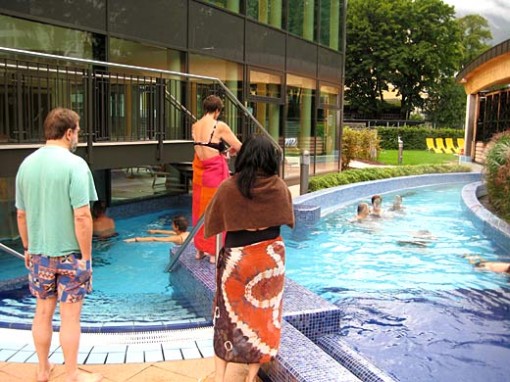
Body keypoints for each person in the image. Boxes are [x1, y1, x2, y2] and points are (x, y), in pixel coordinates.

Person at [15, 108, 102, 382]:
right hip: (70, 255)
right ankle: (72, 374)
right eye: (78, 131)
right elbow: (82, 215)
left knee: (42, 312)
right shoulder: (75, 165)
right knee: (69, 318)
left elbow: (21, 214)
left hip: (39, 253)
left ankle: (42, 370)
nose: (78, 136)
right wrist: (86, 257)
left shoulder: (26, 165)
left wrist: (27, 247)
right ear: (68, 133)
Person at [203, 135, 295, 382]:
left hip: (237, 260)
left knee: (226, 320)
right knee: (263, 320)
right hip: (269, 261)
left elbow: (211, 224)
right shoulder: (279, 187)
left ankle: (220, 378)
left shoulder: (229, 187)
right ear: (270, 160)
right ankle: (250, 377)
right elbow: (287, 219)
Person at [192, 95, 242, 264]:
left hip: (200, 172)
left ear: (205, 108)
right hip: (214, 173)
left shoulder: (195, 125)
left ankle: (199, 249)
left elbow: (207, 149)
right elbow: (239, 146)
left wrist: (224, 153)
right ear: (217, 110)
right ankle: (214, 252)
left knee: (200, 209)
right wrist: (231, 152)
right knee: (217, 210)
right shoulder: (219, 125)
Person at [124, 215, 189, 244]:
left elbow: (154, 239)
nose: (171, 226)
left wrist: (135, 239)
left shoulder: (177, 238)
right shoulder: (187, 233)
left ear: (177, 227)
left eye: (172, 224)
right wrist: (155, 231)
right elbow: (171, 232)